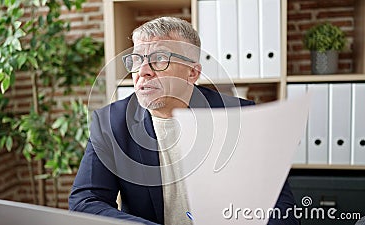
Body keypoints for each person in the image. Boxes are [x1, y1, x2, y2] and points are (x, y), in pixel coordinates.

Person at [69, 17, 299, 225]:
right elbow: (86, 201)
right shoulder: (110, 122)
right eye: (136, 60)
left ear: (192, 73)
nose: (143, 71)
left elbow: (279, 210)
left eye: (159, 59)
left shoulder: (242, 119)